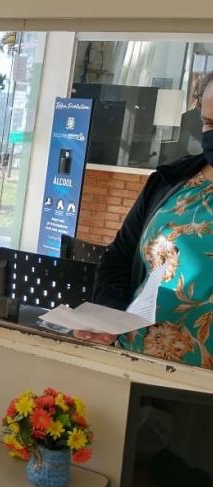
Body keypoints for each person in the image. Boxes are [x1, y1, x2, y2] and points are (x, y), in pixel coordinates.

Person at [80, 73, 213, 368]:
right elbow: (120, 255)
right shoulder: (169, 181)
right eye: (209, 123)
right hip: (135, 360)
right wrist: (107, 315)